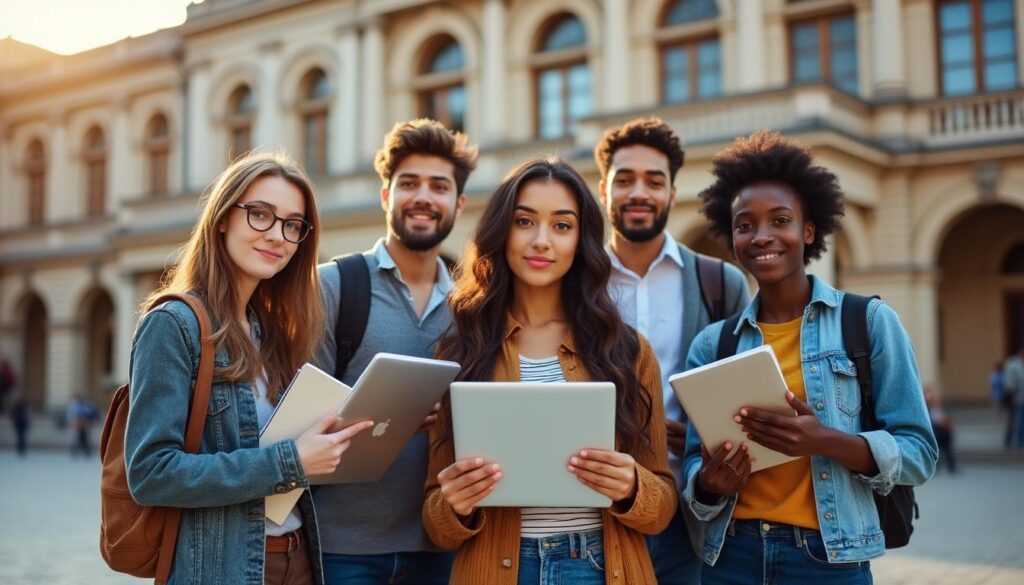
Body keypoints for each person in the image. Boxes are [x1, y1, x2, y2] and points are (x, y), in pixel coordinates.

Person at [681, 131, 938, 583]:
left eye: (779, 220)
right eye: (745, 225)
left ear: (808, 230)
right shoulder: (712, 344)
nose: (762, 237)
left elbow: (919, 453)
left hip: (829, 561)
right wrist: (708, 483)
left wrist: (826, 441)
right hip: (731, 558)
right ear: (732, 237)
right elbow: (693, 469)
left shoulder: (869, 322)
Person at [124, 150, 374, 585]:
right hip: (226, 566)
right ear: (223, 218)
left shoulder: (270, 330)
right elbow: (151, 473)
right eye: (260, 214)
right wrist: (290, 460)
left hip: (299, 559)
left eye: (292, 224)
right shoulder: (173, 324)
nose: (277, 235)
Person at [424, 156, 677, 584]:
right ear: (501, 232)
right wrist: (454, 504)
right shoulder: (458, 351)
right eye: (525, 222)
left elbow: (664, 505)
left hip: (601, 567)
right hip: (496, 569)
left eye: (562, 226)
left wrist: (633, 486)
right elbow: (435, 518)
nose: (542, 240)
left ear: (581, 241)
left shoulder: (628, 349)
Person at [313, 119, 478, 585]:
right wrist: (376, 415)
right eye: (409, 183)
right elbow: (292, 417)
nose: (423, 196)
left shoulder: (471, 306)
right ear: (386, 196)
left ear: (458, 204)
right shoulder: (334, 285)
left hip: (440, 545)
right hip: (341, 547)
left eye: (439, 186)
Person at [594, 117, 750, 583]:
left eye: (653, 181)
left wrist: (703, 432)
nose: (638, 192)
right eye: (624, 180)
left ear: (672, 193)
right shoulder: (574, 284)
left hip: (691, 509)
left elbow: (743, 393)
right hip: (595, 504)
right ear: (604, 189)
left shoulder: (720, 284)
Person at [924, 386, 957, 473]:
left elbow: (949, 418)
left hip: (945, 432)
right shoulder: (927, 409)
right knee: (936, 450)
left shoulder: (944, 407)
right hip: (936, 432)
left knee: (948, 450)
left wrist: (949, 425)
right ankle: (936, 467)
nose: (933, 397)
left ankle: (951, 467)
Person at [1004, 347, 1024, 449]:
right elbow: (1010, 383)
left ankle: (1017, 440)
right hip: (1016, 398)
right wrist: (1011, 394)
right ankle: (1017, 441)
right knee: (1017, 420)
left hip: (1019, 397)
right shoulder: (1013, 365)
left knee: (1018, 420)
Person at [67, 393, 98, 457]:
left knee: (84, 438)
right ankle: (77, 451)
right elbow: (72, 414)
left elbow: (89, 412)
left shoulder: (85, 405)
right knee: (78, 438)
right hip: (78, 424)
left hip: (84, 424)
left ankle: (86, 451)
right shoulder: (75, 405)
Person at [9, 391, 29, 457]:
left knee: (20, 437)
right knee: (21, 437)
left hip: (20, 424)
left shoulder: (19, 406)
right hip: (20, 424)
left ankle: (21, 449)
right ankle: (21, 449)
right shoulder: (21, 406)